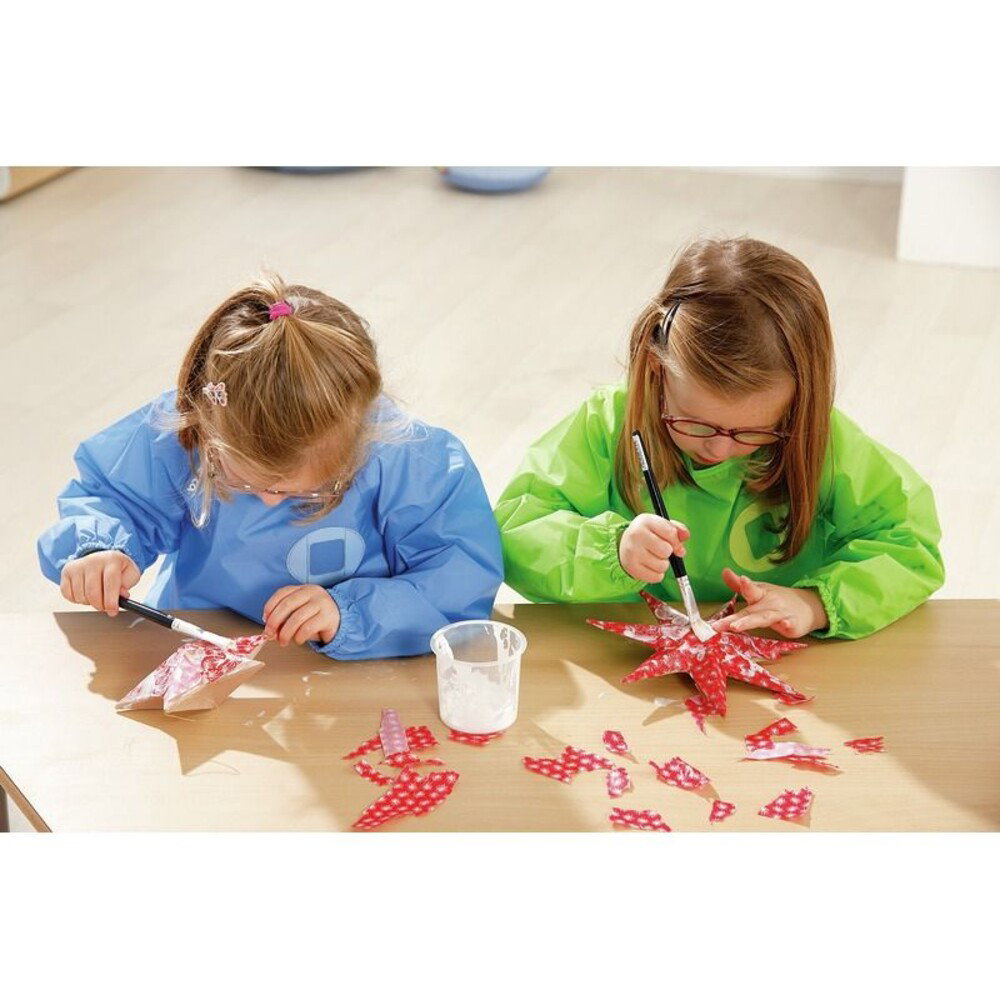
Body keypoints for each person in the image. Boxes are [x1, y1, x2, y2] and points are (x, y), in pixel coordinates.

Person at [495, 237, 944, 639]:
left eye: (753, 431)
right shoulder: (607, 423)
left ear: (797, 403)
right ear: (657, 369)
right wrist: (611, 551)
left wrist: (816, 604)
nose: (719, 448)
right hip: (621, 656)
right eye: (694, 423)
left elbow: (910, 546)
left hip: (779, 652)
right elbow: (515, 533)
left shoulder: (817, 439)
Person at [39, 277, 503, 658]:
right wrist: (97, 549)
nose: (265, 500)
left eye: (302, 492)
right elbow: (112, 496)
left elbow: (459, 581)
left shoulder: (409, 458)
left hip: (353, 660)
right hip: (197, 644)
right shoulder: (189, 427)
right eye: (243, 481)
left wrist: (352, 614)